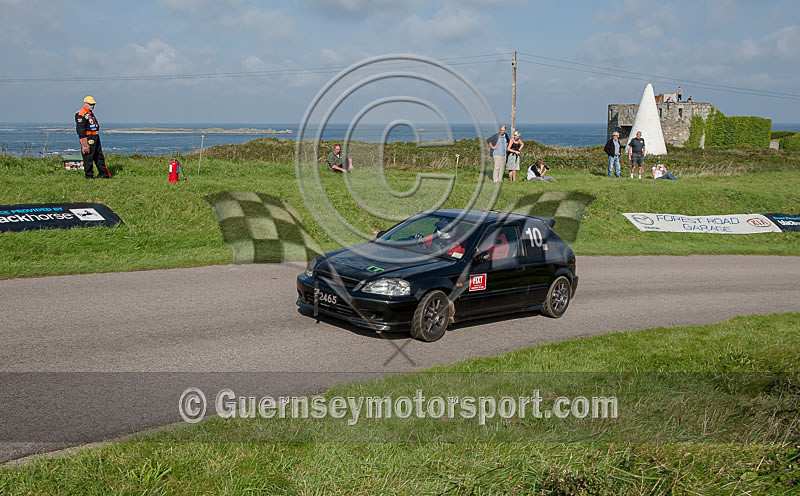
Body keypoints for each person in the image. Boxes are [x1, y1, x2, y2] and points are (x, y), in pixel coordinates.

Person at [75, 96, 111, 179]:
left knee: (99, 156)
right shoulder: (81, 113)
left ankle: (104, 174)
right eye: (90, 104)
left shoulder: (89, 113)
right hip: (88, 137)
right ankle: (89, 176)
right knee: (88, 157)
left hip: (95, 136)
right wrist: (84, 144)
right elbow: (80, 130)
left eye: (93, 104)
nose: (92, 106)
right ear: (85, 104)